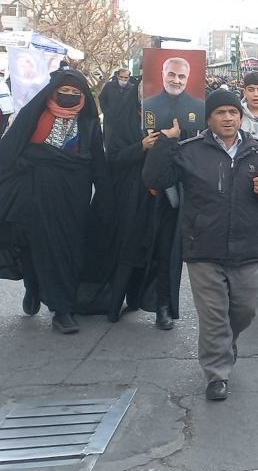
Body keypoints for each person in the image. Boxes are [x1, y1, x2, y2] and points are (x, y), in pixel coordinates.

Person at [143, 89, 258, 400]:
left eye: (233, 113)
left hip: (246, 247)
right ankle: (217, 374)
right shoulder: (189, 150)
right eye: (221, 113)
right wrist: (165, 142)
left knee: (246, 309)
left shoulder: (257, 150)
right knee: (212, 315)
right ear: (209, 119)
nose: (228, 118)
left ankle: (225, 343)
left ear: (240, 116)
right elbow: (155, 178)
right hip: (202, 247)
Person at [0, 69, 107, 335]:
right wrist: (26, 161)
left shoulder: (88, 123)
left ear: (83, 97)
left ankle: (60, 302)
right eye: (62, 93)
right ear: (52, 93)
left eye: (74, 94)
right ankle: (49, 300)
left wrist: (106, 199)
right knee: (38, 245)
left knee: (69, 250)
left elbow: (97, 163)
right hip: (36, 193)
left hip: (73, 198)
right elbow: (10, 148)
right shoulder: (35, 115)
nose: (68, 98)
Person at [100, 76, 182, 329]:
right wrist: (141, 147)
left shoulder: (180, 119)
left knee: (165, 252)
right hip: (132, 199)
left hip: (166, 198)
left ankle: (162, 307)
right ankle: (116, 303)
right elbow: (112, 158)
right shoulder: (123, 121)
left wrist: (170, 141)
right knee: (129, 249)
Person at [143, 57, 202, 138]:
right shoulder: (147, 105)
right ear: (163, 75)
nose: (176, 81)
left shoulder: (200, 107)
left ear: (187, 78)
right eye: (171, 75)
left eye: (181, 77)